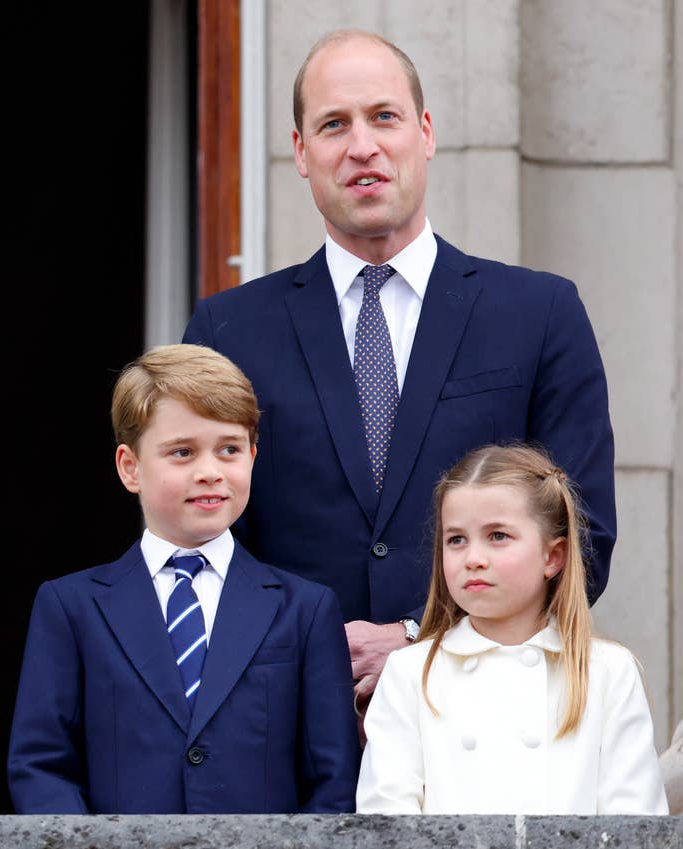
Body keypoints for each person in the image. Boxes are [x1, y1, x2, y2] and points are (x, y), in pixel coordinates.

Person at [182, 28, 616, 720]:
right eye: (333, 125)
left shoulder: (540, 314)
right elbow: (199, 545)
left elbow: (581, 537)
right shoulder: (228, 330)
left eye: (383, 117)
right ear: (300, 151)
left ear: (425, 132)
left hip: (487, 725)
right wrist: (319, 650)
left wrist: (421, 638)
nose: (362, 146)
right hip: (288, 734)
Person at [7, 343, 360, 814]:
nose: (210, 472)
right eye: (182, 452)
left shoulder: (306, 609)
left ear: (254, 456)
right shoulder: (70, 607)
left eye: (229, 449)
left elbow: (333, 782)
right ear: (130, 467)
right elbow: (41, 766)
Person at [355, 443, 667, 815]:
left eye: (498, 536)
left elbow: (633, 824)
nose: (473, 558)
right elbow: (386, 820)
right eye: (456, 539)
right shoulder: (410, 672)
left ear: (553, 556)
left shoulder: (607, 671)